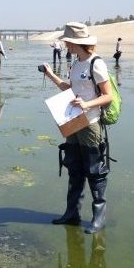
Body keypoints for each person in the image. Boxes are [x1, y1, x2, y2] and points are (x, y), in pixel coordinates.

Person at [41, 22, 113, 234]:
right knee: (73, 166)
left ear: (75, 43)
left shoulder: (96, 63)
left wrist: (87, 104)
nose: (65, 45)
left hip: (90, 124)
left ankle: (98, 218)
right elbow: (70, 90)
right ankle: (72, 214)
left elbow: (107, 96)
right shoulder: (75, 63)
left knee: (95, 170)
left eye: (67, 42)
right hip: (73, 122)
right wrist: (51, 75)